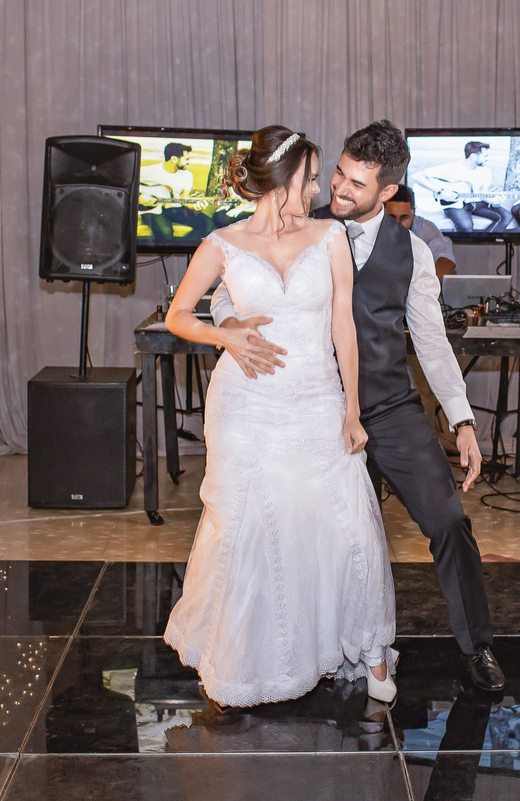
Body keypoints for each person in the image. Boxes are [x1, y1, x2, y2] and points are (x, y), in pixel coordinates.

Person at [213, 121, 506, 693]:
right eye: (339, 175)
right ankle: (318, 648)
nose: (339, 191)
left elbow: (431, 341)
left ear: (389, 191)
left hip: (391, 408)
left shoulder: (415, 254)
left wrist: (462, 418)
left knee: (448, 521)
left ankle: (479, 647)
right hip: (318, 409)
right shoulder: (299, 221)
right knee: (321, 536)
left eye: (356, 184)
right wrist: (228, 324)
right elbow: (233, 280)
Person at [162, 126, 398, 707]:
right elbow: (177, 317)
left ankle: (370, 649)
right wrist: (227, 337)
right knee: (252, 534)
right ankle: (246, 658)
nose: (322, 189)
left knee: (347, 529)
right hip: (246, 408)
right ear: (284, 180)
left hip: (318, 401)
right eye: (313, 177)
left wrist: (352, 409)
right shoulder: (223, 242)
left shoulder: (331, 237)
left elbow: (343, 325)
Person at [411, 141, 513, 234]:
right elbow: (416, 176)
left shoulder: (486, 171)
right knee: (466, 227)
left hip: (475, 202)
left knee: (506, 216)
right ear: (473, 157)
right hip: (454, 203)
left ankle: (482, 242)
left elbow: (482, 192)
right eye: (485, 155)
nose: (487, 158)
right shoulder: (453, 168)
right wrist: (441, 191)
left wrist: (492, 200)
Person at [139, 142, 216, 243]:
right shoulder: (148, 171)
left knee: (208, 224)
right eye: (186, 159)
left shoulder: (188, 175)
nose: (189, 162)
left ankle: (181, 245)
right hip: (152, 210)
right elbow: (123, 183)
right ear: (174, 159)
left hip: (175, 209)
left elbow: (184, 199)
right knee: (166, 233)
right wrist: (140, 196)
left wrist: (195, 207)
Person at [385, 184, 457, 280]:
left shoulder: (425, 228)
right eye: (392, 217)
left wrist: (423, 289)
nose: (398, 224)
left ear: (413, 212)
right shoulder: (371, 227)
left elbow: (447, 262)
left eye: (404, 217)